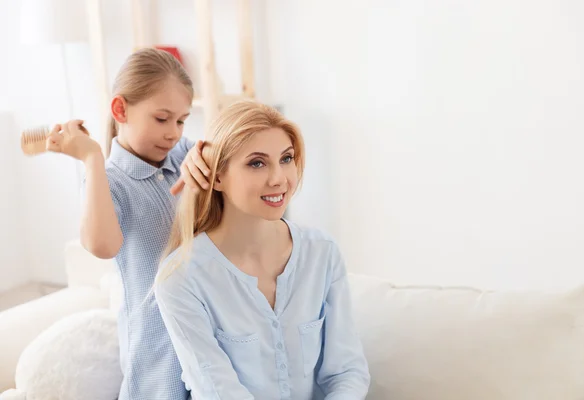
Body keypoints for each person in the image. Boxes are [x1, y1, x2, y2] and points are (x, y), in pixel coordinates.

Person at [154, 100, 370, 399]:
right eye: (257, 163)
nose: (279, 179)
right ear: (217, 177)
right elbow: (217, 390)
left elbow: (346, 372)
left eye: (286, 158)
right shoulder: (181, 278)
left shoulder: (322, 253)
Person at [46, 48, 211, 400]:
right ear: (120, 110)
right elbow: (101, 246)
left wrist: (208, 152)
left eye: (181, 120)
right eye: (162, 118)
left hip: (205, 327)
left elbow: (226, 152)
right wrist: (91, 157)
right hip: (156, 346)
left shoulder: (182, 153)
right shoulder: (110, 181)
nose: (173, 132)